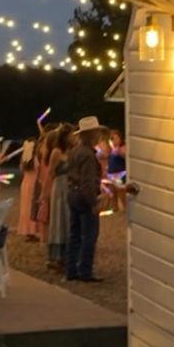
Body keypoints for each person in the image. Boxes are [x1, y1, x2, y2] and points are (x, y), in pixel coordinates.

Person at [65, 117, 107, 282]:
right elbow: (88, 181)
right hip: (84, 196)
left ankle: (71, 269)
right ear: (92, 134)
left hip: (72, 193)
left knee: (74, 234)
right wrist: (94, 202)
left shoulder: (74, 151)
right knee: (89, 235)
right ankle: (85, 271)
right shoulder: (88, 155)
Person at [43, 125, 72, 270]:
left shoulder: (70, 151)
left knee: (68, 218)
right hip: (59, 187)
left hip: (69, 186)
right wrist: (44, 192)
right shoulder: (56, 152)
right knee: (58, 218)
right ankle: (56, 256)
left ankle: (67, 254)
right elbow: (50, 173)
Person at [16, 137, 40, 242]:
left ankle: (27, 230)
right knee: (32, 207)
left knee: (25, 207)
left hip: (25, 183)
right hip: (34, 183)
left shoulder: (24, 159)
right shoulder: (35, 159)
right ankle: (32, 230)